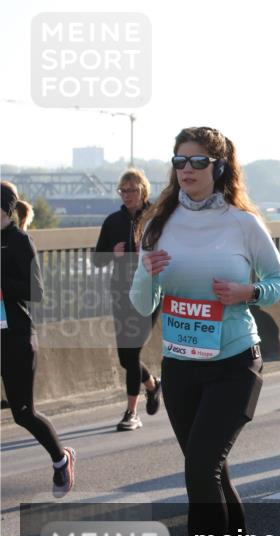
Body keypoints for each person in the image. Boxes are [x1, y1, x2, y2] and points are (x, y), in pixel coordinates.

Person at [130, 127, 280, 536]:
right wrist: (148, 274)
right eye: (179, 161)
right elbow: (140, 304)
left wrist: (248, 290)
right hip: (181, 366)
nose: (186, 170)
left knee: (200, 467)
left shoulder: (243, 224)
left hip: (235, 363)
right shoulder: (160, 223)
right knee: (211, 471)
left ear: (219, 168)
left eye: (198, 162)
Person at [1, 181, 76, 497]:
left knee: (23, 413)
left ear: (6, 210)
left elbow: (37, 292)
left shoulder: (20, 242)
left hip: (15, 338)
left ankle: (61, 460)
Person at [93, 168, 161, 431]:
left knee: (132, 352)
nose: (127, 195)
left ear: (143, 190)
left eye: (132, 190)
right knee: (125, 358)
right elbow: (97, 260)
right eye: (123, 190)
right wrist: (113, 254)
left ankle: (131, 413)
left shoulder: (157, 217)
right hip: (121, 293)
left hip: (149, 293)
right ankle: (153, 385)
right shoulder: (112, 222)